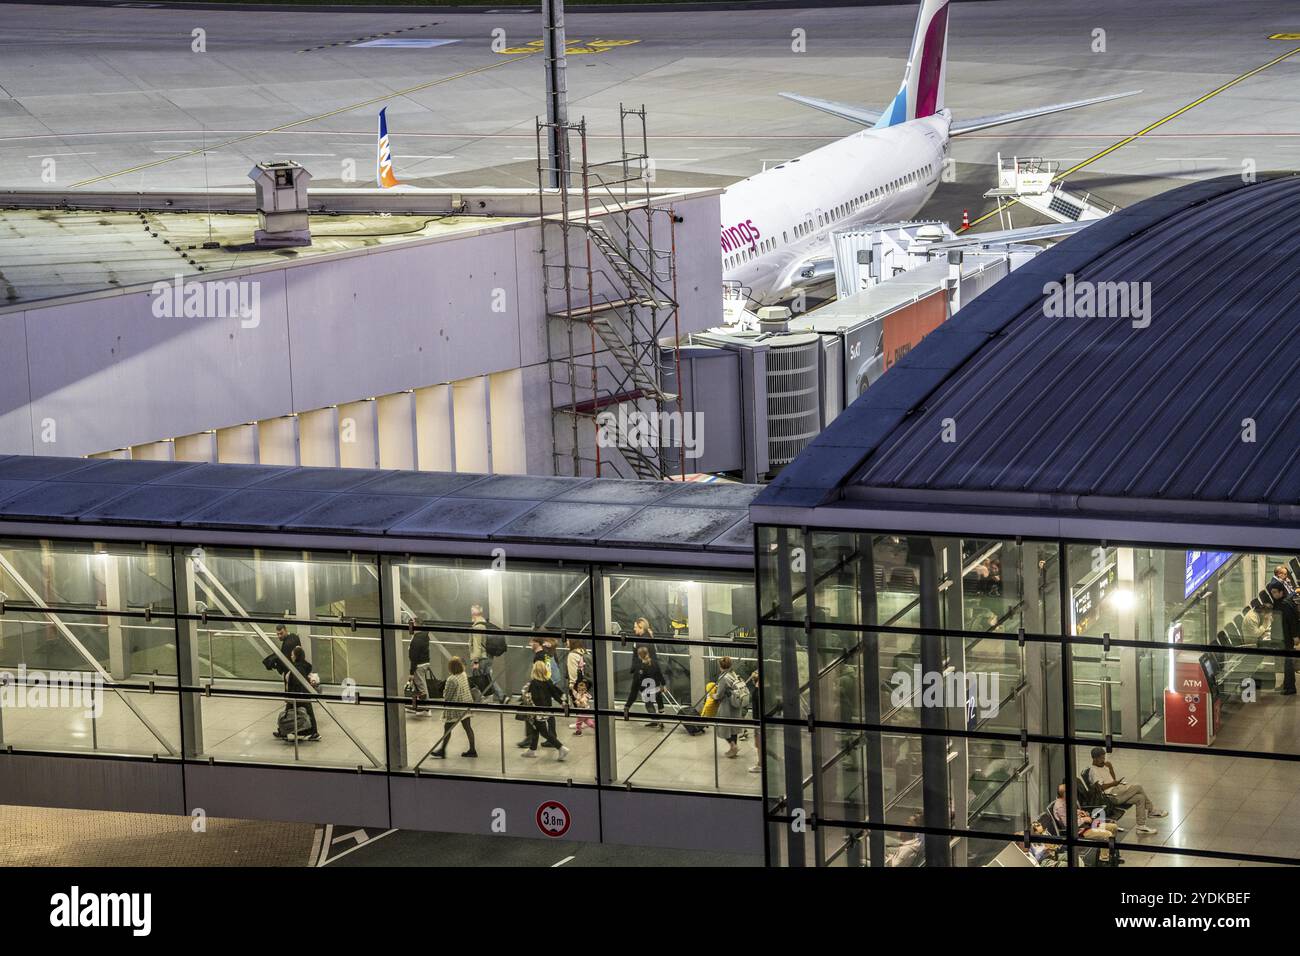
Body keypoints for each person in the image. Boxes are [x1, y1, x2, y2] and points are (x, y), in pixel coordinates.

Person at [1085, 747, 1164, 834]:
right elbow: (1100, 788)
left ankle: (1141, 827)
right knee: (1138, 787)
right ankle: (1151, 810)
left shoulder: (1103, 766)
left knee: (1140, 798)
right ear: (1094, 758)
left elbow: (1112, 779)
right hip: (1111, 797)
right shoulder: (1093, 771)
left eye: (1104, 757)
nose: (1103, 760)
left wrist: (1110, 768)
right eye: (1101, 758)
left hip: (1116, 791)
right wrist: (1114, 784)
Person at [428, 657, 476, 759]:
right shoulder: (463, 675)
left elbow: (447, 696)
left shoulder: (451, 679)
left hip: (455, 708)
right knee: (468, 728)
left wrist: (444, 692)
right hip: (466, 704)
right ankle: (472, 750)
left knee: (447, 729)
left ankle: (442, 750)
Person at [522, 660, 569, 761]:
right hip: (547, 710)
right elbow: (555, 693)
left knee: (544, 732)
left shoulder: (534, 683)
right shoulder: (548, 681)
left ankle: (561, 748)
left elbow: (534, 697)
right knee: (535, 729)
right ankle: (532, 750)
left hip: (538, 712)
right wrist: (562, 703)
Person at [275, 644, 320, 741]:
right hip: (304, 694)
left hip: (297, 695)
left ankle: (283, 731)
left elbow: (296, 683)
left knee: (288, 713)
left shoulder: (297, 668)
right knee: (307, 712)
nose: (291, 656)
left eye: (292, 655)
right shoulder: (303, 665)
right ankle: (313, 732)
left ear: (296, 656)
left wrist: (289, 696)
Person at [711, 656, 750, 758]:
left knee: (722, 726)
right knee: (734, 727)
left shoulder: (723, 678)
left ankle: (733, 746)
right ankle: (734, 748)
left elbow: (719, 695)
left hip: (727, 706)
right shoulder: (734, 674)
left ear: (720, 666)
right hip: (736, 705)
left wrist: (713, 696)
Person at [1053, 782, 1121, 839]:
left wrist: (1079, 812)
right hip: (1079, 831)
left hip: (1087, 825)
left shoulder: (1066, 800)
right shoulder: (1060, 807)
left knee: (1113, 827)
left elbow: (1070, 814)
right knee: (1107, 834)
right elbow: (1067, 824)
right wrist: (1084, 819)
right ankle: (1104, 855)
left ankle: (1111, 852)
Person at [623, 646, 667, 729]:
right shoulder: (654, 663)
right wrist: (664, 685)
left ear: (639, 656)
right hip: (657, 688)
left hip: (648, 690)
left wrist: (640, 689)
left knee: (649, 705)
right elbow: (660, 674)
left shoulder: (640, 667)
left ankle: (657, 721)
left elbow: (638, 681)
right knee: (660, 703)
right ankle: (662, 719)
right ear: (648, 653)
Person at [1268, 578, 1299, 695]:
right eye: (1272, 593)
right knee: (1286, 662)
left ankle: (1290, 687)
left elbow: (1292, 621)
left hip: (1286, 637)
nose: (1274, 594)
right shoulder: (1279, 603)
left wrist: (1295, 636)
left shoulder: (1285, 604)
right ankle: (1287, 685)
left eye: (1276, 592)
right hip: (1281, 636)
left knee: (1288, 663)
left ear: (1281, 592)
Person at [467, 603, 502, 702]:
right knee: (488, 678)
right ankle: (501, 696)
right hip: (488, 656)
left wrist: (475, 661)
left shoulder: (478, 627)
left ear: (473, 613)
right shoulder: (485, 624)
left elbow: (477, 645)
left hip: (481, 657)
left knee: (479, 679)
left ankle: (482, 699)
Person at [407, 621, 432, 715]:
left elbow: (414, 657)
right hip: (423, 663)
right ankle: (417, 706)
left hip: (419, 665)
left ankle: (426, 708)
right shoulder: (423, 636)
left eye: (411, 625)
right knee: (418, 685)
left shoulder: (418, 639)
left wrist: (411, 672)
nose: (409, 626)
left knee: (421, 687)